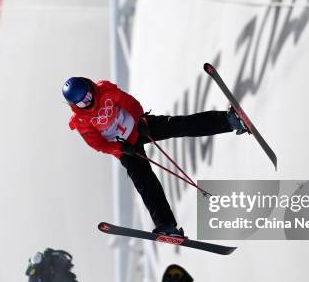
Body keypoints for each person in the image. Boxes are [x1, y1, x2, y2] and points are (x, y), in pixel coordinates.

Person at [63, 77, 248, 237]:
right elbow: (98, 144)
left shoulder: (104, 89)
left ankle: (230, 120)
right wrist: (120, 147)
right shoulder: (80, 121)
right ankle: (166, 225)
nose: (88, 101)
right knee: (145, 182)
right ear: (74, 105)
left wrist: (141, 120)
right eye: (81, 102)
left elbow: (131, 104)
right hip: (125, 148)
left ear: (89, 86)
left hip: (138, 127)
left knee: (180, 125)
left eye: (87, 94)